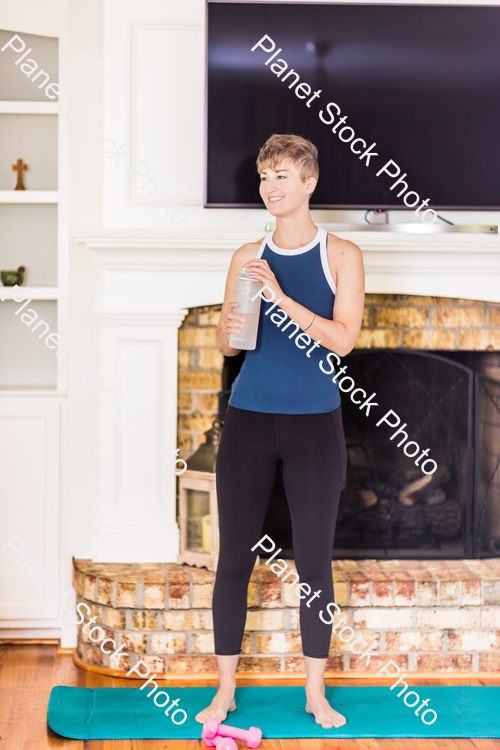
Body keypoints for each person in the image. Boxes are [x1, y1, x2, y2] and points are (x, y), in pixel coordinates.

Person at [195, 134, 365, 730]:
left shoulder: (341, 253)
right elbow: (227, 342)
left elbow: (344, 340)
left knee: (315, 562)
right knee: (233, 561)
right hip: (248, 420)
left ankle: (315, 693)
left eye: (284, 175)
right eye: (266, 176)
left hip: (315, 425)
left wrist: (280, 297)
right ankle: (225, 691)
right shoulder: (246, 255)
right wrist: (230, 324)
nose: (271, 186)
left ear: (310, 183)